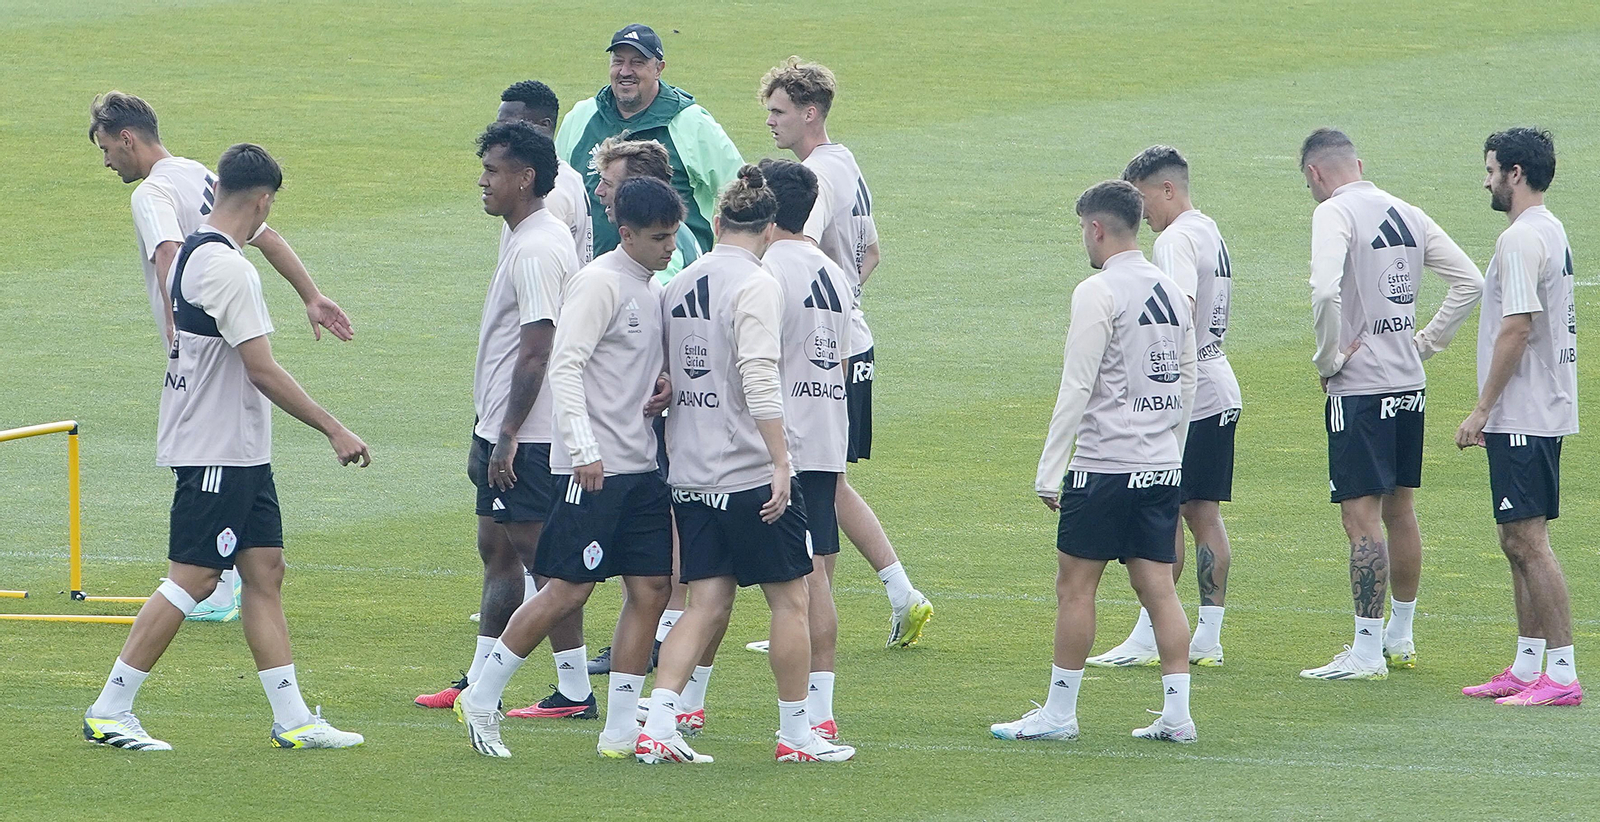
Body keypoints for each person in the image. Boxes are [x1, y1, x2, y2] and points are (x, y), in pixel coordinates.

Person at [82, 143, 369, 751]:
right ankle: (110, 709)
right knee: (193, 579)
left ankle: (292, 720)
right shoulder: (230, 270)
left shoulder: (196, 250)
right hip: (216, 448)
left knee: (265, 570)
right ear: (262, 200)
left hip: (238, 446)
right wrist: (333, 428)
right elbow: (262, 370)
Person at [89, 91, 353, 623]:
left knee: (204, 446)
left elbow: (169, 255)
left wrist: (177, 332)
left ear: (126, 138)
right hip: (225, 325)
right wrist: (311, 295)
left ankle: (207, 581)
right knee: (237, 448)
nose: (106, 162)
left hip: (201, 339)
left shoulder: (150, 194)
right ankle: (227, 576)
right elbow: (264, 232)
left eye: (105, 149)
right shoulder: (199, 174)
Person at [456, 176, 680, 758]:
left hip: (642, 469)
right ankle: (482, 697)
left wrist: (662, 383)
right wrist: (582, 449)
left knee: (652, 588)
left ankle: (621, 730)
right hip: (595, 471)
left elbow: (634, 364)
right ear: (625, 233)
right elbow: (566, 366)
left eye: (674, 235)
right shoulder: (598, 284)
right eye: (659, 237)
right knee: (568, 589)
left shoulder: (652, 290)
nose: (670, 247)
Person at [637, 165, 854, 765]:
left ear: (716, 220)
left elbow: (671, 376)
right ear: (767, 230)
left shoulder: (680, 283)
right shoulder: (758, 284)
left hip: (689, 472)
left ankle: (658, 722)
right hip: (747, 474)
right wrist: (782, 461)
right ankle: (797, 734)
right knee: (791, 601)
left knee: (703, 602)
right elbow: (759, 375)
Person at [992, 180, 1197, 745]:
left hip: (1104, 466)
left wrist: (1050, 468)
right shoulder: (1173, 291)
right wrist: (1169, 454)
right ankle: (1178, 716)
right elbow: (1187, 380)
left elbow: (1076, 385)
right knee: (1159, 590)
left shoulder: (1097, 291)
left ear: (1097, 228)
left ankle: (1060, 713)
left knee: (1075, 587)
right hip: (1159, 466)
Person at [414, 122, 590, 718]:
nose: (482, 181)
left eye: (493, 171)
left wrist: (510, 434)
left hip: (529, 435)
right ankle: (480, 677)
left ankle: (573, 690)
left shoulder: (540, 246)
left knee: (547, 563)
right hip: (500, 423)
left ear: (525, 178)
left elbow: (538, 348)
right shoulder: (524, 235)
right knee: (498, 547)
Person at [758, 56, 932, 649]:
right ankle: (899, 591)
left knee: (814, 479)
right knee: (825, 480)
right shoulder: (847, 162)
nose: (770, 123)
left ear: (810, 113)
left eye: (779, 112)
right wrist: (845, 304)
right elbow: (871, 253)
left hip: (824, 350)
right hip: (848, 340)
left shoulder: (817, 179)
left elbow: (797, 242)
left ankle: (809, 615)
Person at [1297, 128, 1482, 681]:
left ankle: (1366, 649)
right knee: (1400, 509)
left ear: (1314, 174)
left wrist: (1329, 359)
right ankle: (1399, 636)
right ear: (1359, 162)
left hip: (1360, 388)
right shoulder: (1407, 211)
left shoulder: (1333, 213)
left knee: (1360, 516)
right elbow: (1470, 282)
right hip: (1408, 384)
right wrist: (1424, 343)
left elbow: (1325, 291)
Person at [1090, 146, 1241, 668]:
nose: (1140, 212)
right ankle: (1207, 636)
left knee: (1170, 513)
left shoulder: (1174, 240)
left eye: (1142, 196)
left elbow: (1174, 317)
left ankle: (1151, 634)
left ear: (1167, 189)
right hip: (1220, 382)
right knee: (1202, 514)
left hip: (1191, 393)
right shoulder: (1209, 229)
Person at [1456, 128, 1582, 706]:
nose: (1485, 179)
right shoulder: (1548, 229)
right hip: (1538, 407)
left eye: (1490, 170)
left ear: (1514, 173)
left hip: (1525, 411)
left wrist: (1483, 408)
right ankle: (1529, 663)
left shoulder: (1519, 238)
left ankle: (1560, 674)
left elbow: (1518, 326)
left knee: (1529, 540)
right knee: (1514, 539)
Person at [580, 135, 701, 677]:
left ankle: (660, 642)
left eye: (610, 184)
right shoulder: (622, 269)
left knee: (658, 550)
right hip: (632, 433)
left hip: (645, 435)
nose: (601, 193)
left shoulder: (659, 261)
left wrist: (669, 374)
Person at [759, 157, 856, 740]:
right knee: (817, 572)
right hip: (824, 437)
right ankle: (821, 709)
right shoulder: (832, 272)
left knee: (713, 574)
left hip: (777, 446)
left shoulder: (766, 271)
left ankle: (680, 699)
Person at [555, 23, 743, 257]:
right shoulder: (581, 117)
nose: (625, 71)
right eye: (618, 61)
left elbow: (741, 193)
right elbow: (557, 194)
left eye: (637, 62)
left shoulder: (692, 123)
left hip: (672, 279)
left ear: (658, 69)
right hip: (592, 277)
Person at [498, 80, 593, 266]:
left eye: (510, 126)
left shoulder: (547, 191)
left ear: (544, 125)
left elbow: (538, 271)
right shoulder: (566, 175)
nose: (501, 135)